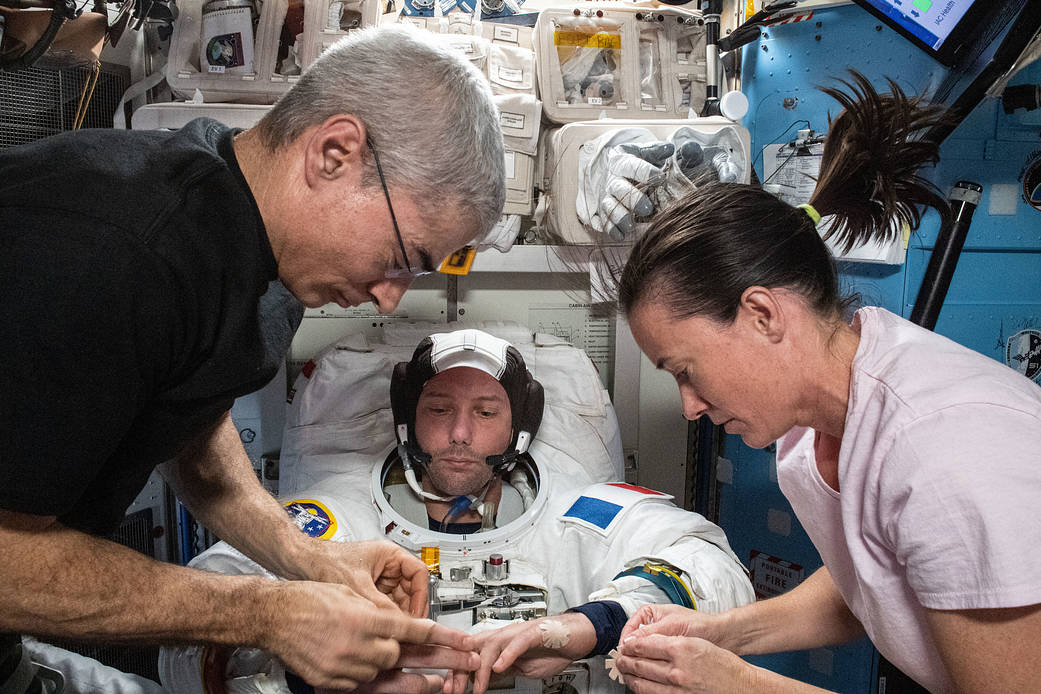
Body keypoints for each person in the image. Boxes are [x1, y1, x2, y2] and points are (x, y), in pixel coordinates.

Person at [0, 24, 506, 694]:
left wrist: (307, 559)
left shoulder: (260, 257)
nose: (389, 298)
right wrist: (268, 613)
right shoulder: (110, 255)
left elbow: (185, 416)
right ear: (334, 153)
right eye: (401, 259)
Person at [606, 73, 1041, 693]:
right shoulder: (809, 435)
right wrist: (723, 634)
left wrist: (737, 684)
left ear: (763, 315)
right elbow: (877, 581)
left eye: (686, 371)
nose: (690, 407)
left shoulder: (945, 452)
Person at [158, 328, 755, 694]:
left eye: (486, 413)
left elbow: (716, 571)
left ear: (518, 428)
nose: (461, 434)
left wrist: (585, 627)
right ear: (408, 422)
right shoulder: (334, 527)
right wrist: (318, 676)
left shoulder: (580, 517)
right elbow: (183, 645)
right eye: (439, 410)